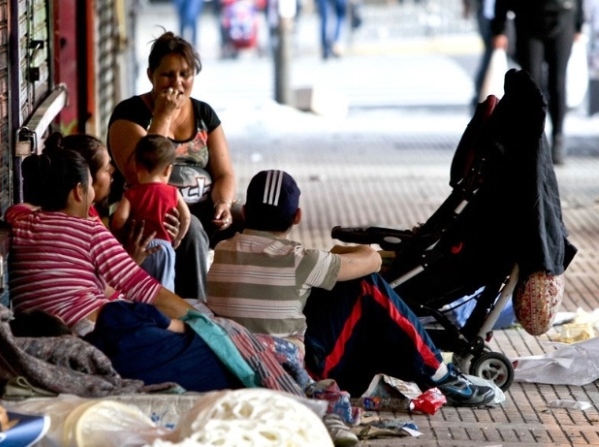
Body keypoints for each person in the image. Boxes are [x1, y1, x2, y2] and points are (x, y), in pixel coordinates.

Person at [206, 169, 497, 407]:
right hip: (291, 374)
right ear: (297, 217)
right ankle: (441, 375)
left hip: (232, 365)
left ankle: (409, 372)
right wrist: (339, 251)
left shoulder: (222, 252)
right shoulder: (300, 261)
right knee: (365, 286)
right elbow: (370, 262)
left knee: (327, 291)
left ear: (245, 211)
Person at [7, 148, 243, 392]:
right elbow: (148, 290)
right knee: (205, 340)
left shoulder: (21, 221)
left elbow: (20, 209)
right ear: (79, 192)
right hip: (99, 337)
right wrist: (204, 323)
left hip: (52, 334)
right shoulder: (89, 231)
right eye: (88, 185)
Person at [107, 31, 242, 302]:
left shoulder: (204, 114)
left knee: (251, 217)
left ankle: (242, 306)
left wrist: (223, 204)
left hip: (202, 212)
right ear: (150, 75)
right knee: (190, 229)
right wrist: (163, 116)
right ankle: (194, 311)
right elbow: (138, 172)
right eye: (167, 75)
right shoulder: (130, 114)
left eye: (185, 74)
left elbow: (224, 173)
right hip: (146, 215)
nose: (177, 83)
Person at [491, 0, 585, 164]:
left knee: (558, 82)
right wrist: (499, 28)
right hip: (528, 18)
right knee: (531, 84)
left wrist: (578, 24)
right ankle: (532, 140)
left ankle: (558, 138)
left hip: (563, 16)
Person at [111, 135, 192, 291]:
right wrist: (178, 238)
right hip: (165, 248)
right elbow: (186, 217)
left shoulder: (131, 193)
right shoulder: (173, 192)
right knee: (164, 291)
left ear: (136, 166)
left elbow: (119, 218)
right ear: (169, 169)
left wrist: (118, 233)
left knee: (140, 289)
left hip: (139, 248)